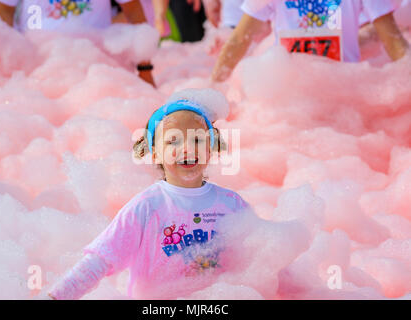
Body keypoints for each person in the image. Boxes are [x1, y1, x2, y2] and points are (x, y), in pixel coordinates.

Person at [45, 88, 250, 299]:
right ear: (154, 151)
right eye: (173, 141)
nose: (188, 149)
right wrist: (56, 297)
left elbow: (262, 260)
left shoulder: (232, 205)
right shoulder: (146, 207)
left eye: (197, 140)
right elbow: (100, 260)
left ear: (212, 146)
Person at [212, 0, 410, 82]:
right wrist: (213, 91)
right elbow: (238, 39)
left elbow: (395, 44)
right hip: (284, 93)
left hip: (346, 92)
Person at [0, 0, 155, 86]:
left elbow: (133, 10)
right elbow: (4, 11)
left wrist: (144, 69)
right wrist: (9, 60)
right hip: (37, 64)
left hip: (98, 67)